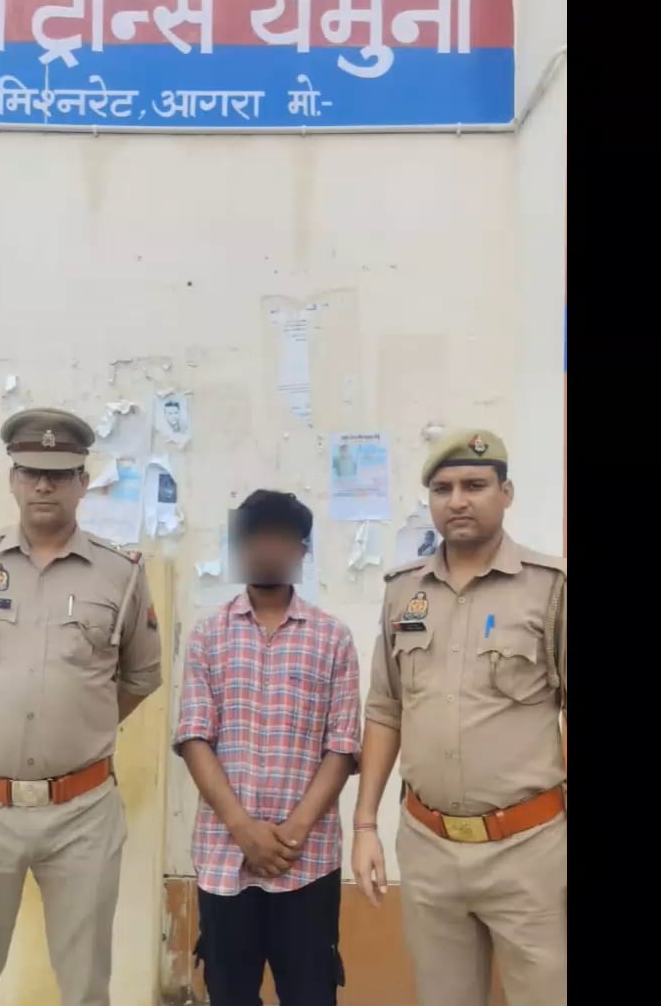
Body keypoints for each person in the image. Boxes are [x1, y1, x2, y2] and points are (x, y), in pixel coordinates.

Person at [0, 407, 164, 1006]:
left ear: (83, 482)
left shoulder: (121, 575)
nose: (43, 486)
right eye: (30, 472)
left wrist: (80, 723)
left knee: (85, 985)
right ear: (12, 479)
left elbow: (141, 676)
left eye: (59, 474)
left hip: (82, 813)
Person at [348, 429, 567, 1006]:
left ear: (506, 493)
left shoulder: (550, 589)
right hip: (429, 848)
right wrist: (365, 825)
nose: (458, 500)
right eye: (443, 489)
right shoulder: (403, 593)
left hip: (530, 849)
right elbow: (385, 708)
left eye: (475, 485)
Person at [172, 490, 362, 1006]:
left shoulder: (333, 638)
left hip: (308, 860)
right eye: (254, 537)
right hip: (224, 856)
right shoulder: (209, 635)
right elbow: (194, 737)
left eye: (281, 538)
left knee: (311, 993)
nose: (267, 548)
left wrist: (293, 832)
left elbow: (343, 745)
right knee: (229, 993)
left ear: (301, 550)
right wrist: (242, 829)